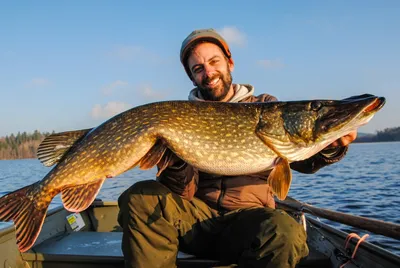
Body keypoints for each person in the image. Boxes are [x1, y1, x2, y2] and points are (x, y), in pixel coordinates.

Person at [117, 28, 357, 268]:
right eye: (198, 69)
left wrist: (330, 148)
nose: (209, 73)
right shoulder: (180, 118)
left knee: (284, 232)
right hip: (195, 221)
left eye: (214, 62)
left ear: (229, 62)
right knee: (140, 197)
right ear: (192, 77)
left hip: (249, 223)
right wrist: (176, 159)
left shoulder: (266, 107)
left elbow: (302, 158)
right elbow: (183, 192)